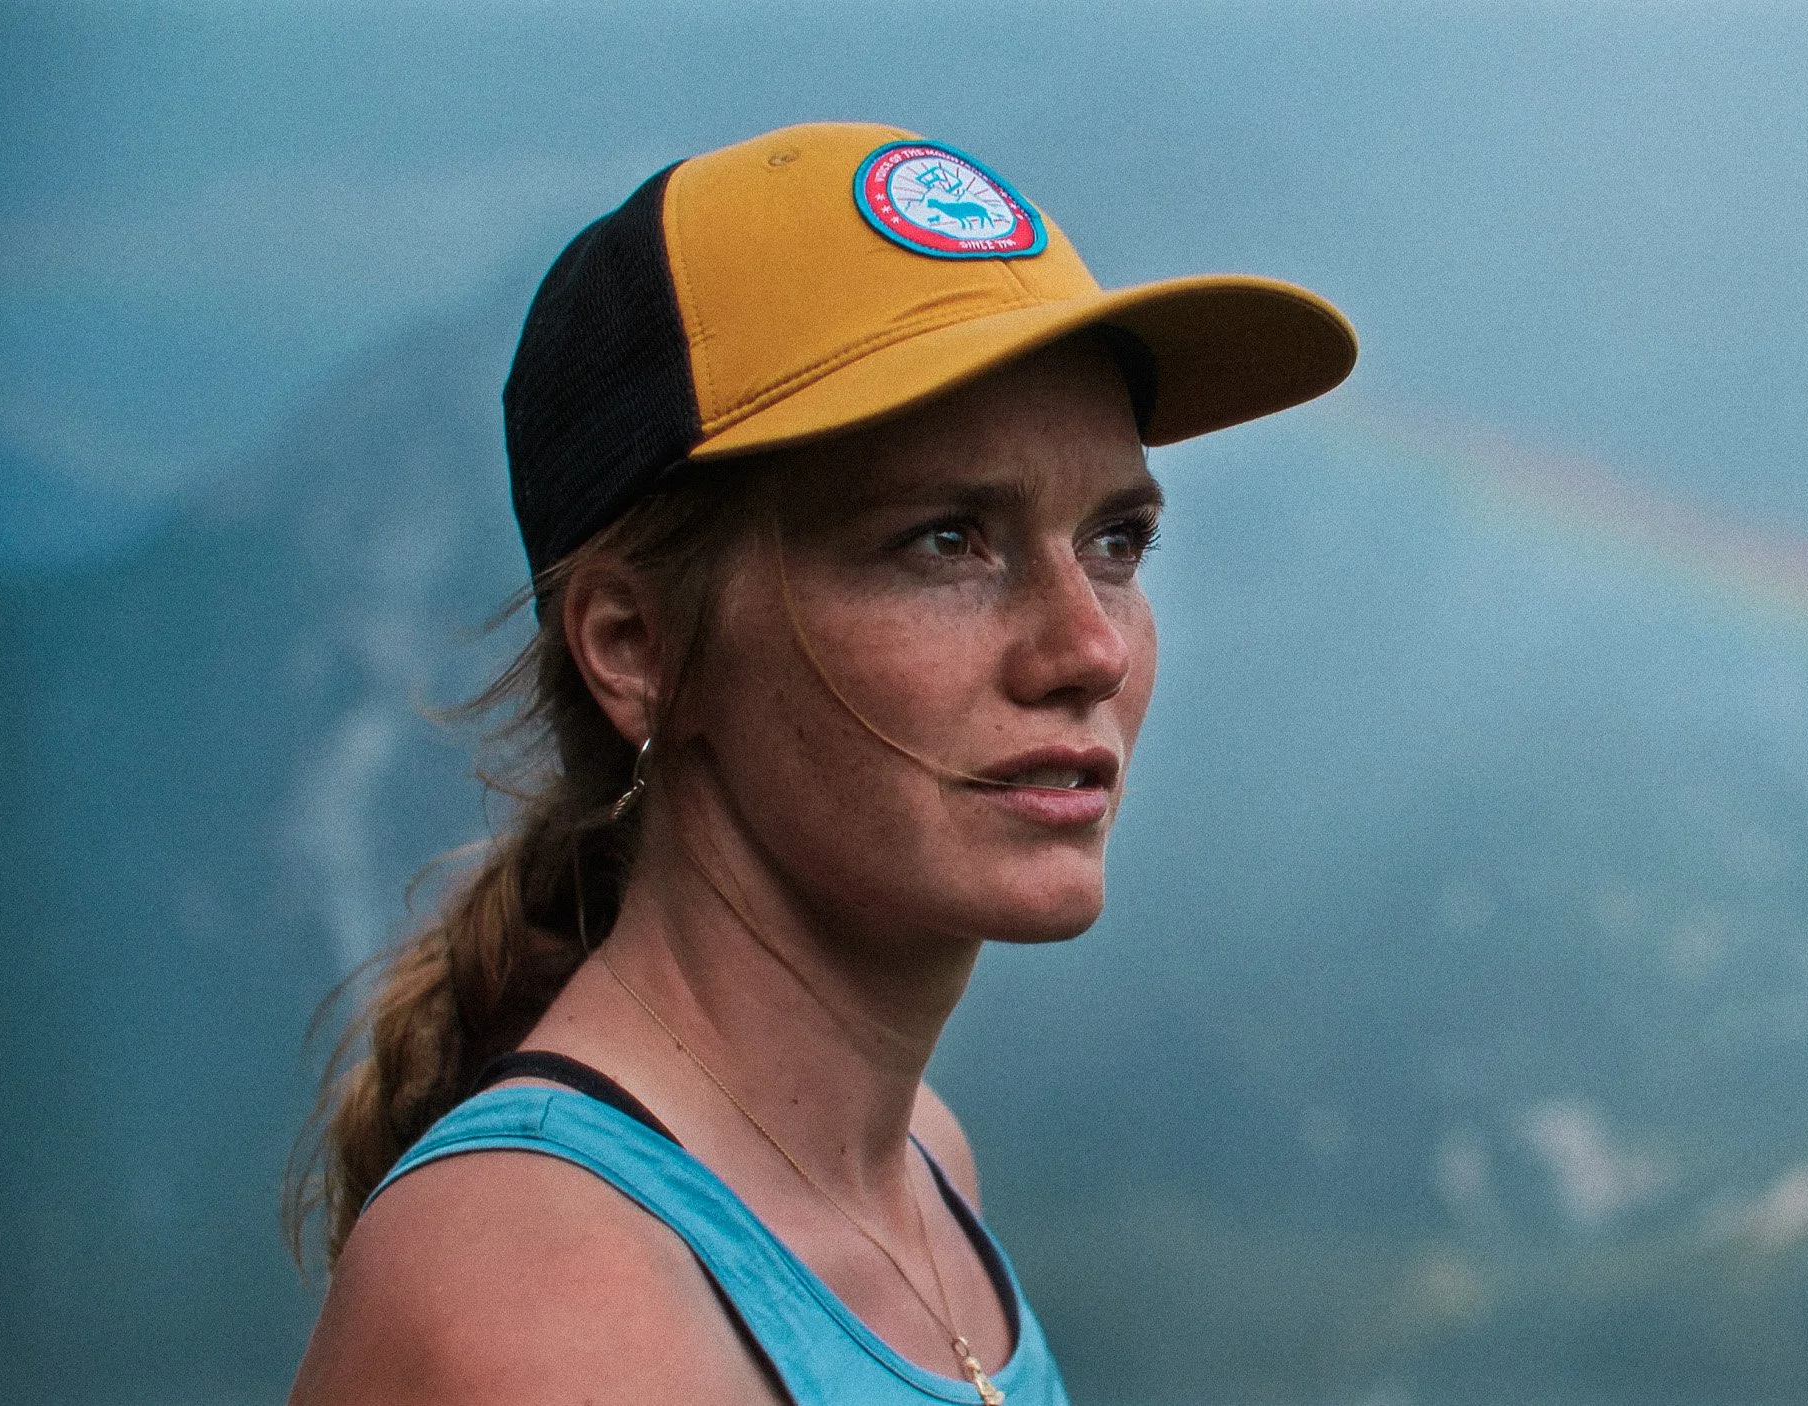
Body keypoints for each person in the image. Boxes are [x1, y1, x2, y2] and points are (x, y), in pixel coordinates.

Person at [287, 122, 1354, 1405]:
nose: (1089, 647)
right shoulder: (555, 1317)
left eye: (1116, 540)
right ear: (636, 646)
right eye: (945, 540)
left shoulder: (923, 1165)